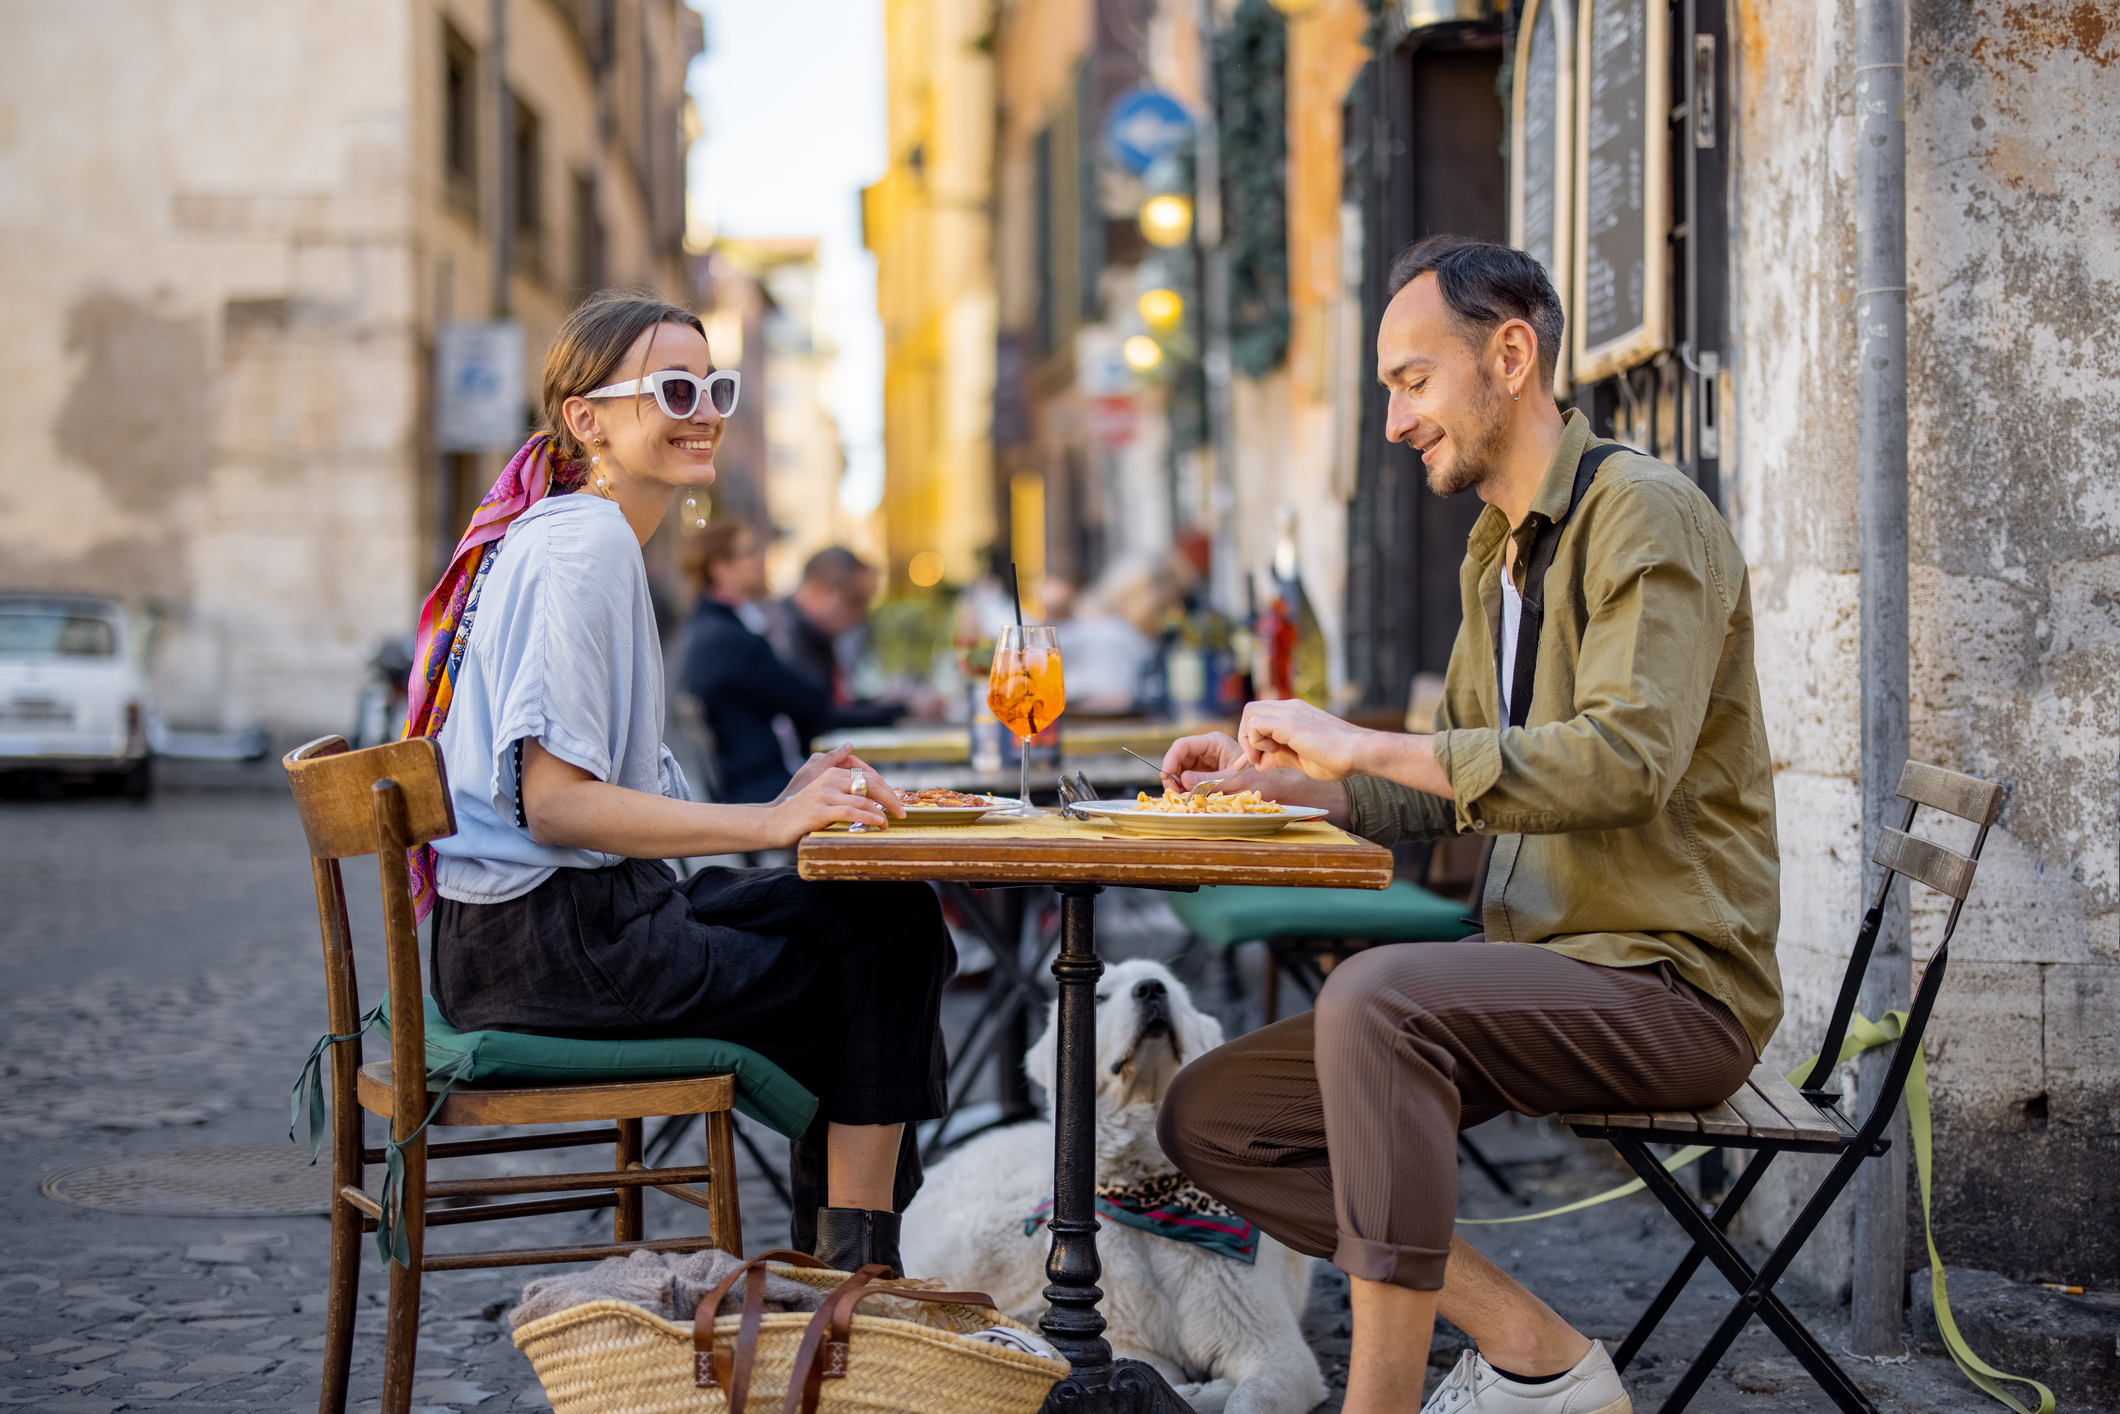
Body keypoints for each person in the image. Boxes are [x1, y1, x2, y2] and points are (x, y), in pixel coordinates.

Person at [1156, 236, 1779, 1414]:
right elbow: (1438, 778)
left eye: (1411, 381)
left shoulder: (1642, 515)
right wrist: (1288, 786)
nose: (1393, 423)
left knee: (1377, 999)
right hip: (1537, 971)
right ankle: (1535, 1351)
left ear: (1508, 353)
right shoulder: (1495, 549)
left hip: (1672, 987)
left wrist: (1365, 743)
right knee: (1214, 1116)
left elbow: (1624, 762)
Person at [405, 290, 949, 1274]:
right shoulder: (585, 543)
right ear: (588, 418)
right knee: (885, 939)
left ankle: (844, 1262)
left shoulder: (580, 533)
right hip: (554, 943)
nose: (705, 409)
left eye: (714, 386)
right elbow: (557, 801)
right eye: (674, 388)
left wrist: (791, 792)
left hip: (543, 927)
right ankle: (856, 1274)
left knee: (876, 912)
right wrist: (774, 818)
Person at [681, 519, 867, 803]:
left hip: (760, 779)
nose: (762, 558)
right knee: (868, 785)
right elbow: (811, 700)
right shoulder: (727, 638)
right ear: (721, 569)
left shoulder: (715, 627)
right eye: (750, 552)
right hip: (763, 790)